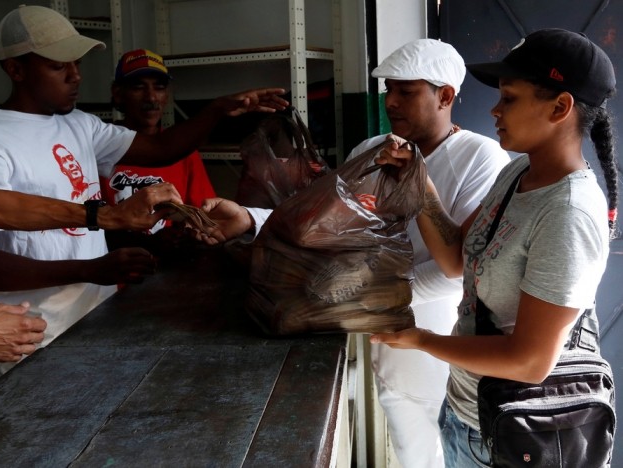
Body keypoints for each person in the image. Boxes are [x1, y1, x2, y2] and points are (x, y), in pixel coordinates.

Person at [192, 39, 510, 467]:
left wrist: (374, 298)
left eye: (406, 91)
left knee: (442, 446)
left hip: (437, 336)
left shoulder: (479, 157)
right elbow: (316, 224)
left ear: (445, 96)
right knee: (406, 438)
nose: (392, 102)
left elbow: (461, 269)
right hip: (373, 328)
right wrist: (250, 219)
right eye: (388, 91)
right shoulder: (372, 150)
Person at [0, 4, 287, 383]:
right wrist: (92, 268)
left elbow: (162, 149)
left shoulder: (79, 126)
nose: (75, 76)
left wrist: (217, 110)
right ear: (15, 69)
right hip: (32, 341)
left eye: (77, 64)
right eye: (58, 66)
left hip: (98, 323)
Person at [369, 28, 618, 467]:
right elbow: (454, 258)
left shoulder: (569, 212)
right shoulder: (517, 173)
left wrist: (422, 339)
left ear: (560, 108)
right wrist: (420, 183)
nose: (494, 110)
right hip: (467, 414)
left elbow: (529, 361)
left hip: (518, 433)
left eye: (510, 99)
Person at [100, 48, 216, 252]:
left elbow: (203, 214)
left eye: (159, 87)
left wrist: (185, 234)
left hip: (168, 272)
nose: (151, 97)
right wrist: (146, 243)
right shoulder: (99, 146)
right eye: (138, 87)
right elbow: (86, 224)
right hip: (113, 272)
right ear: (118, 94)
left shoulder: (182, 150)